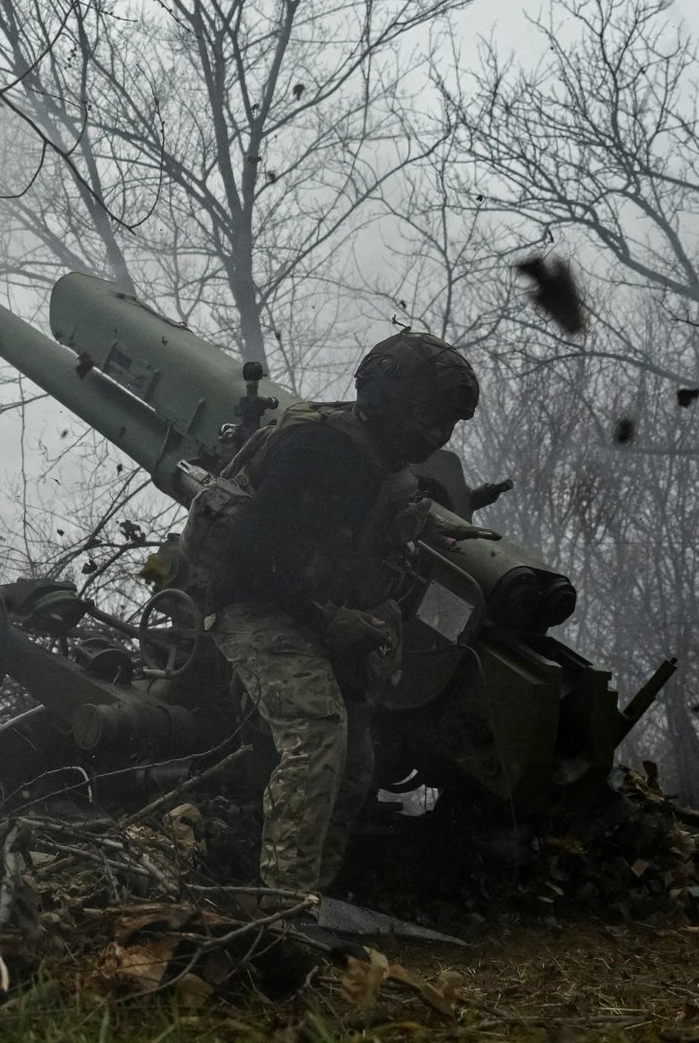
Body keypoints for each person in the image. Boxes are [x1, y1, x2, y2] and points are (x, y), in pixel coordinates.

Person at [181, 330, 492, 894]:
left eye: (448, 424)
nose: (437, 435)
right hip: (255, 606)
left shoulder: (388, 469)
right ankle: (282, 912)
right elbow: (246, 558)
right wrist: (328, 620)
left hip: (321, 614)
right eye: (430, 416)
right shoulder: (322, 452)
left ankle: (312, 900)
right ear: (391, 401)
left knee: (356, 766)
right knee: (318, 735)